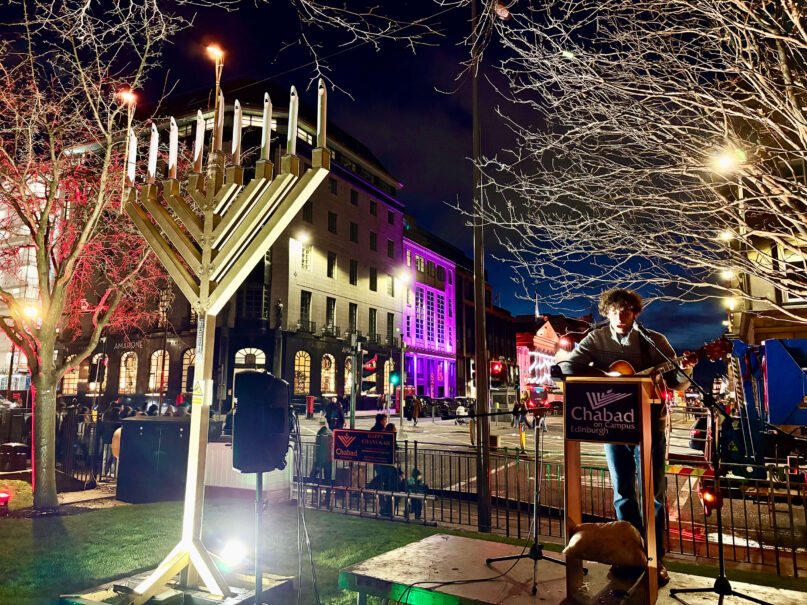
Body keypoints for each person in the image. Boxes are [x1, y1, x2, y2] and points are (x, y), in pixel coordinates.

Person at [559, 288, 696, 587]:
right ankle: (629, 553)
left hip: (651, 425)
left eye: (626, 311)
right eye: (614, 311)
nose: (620, 316)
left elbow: (676, 383)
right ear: (606, 312)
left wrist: (686, 369)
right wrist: (605, 380)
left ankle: (655, 558)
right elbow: (568, 367)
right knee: (622, 492)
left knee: (654, 496)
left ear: (635, 313)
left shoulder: (654, 340)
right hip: (613, 424)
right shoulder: (596, 339)